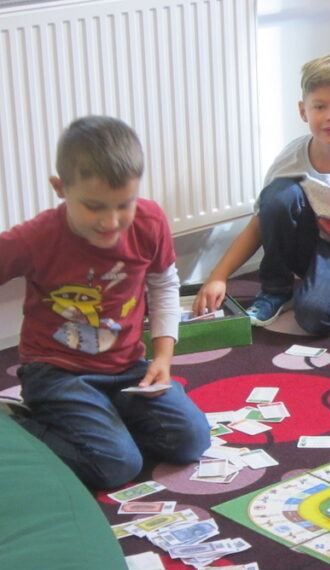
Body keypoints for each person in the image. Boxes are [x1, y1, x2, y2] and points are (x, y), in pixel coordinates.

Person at [0, 116, 210, 490]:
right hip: (56, 373)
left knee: (192, 440)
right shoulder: (35, 237)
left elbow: (163, 285)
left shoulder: (150, 220)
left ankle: (101, 420)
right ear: (60, 188)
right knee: (117, 466)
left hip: (127, 368)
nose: (111, 222)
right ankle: (15, 425)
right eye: (94, 207)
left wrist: (162, 358)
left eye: (123, 205)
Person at [192, 53, 330, 341]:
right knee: (279, 195)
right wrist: (218, 276)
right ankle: (276, 291)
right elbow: (261, 222)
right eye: (320, 106)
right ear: (303, 111)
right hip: (306, 245)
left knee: (316, 316)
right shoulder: (290, 157)